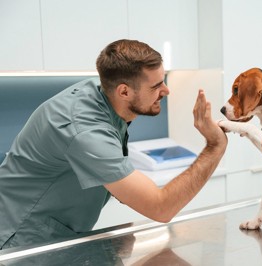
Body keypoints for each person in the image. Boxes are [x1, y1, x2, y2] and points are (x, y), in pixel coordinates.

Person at [0, 39, 227, 249]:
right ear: (124, 91)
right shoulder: (84, 129)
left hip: (54, 236)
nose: (166, 91)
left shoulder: (105, 98)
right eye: (156, 86)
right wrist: (214, 147)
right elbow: (161, 207)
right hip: (17, 239)